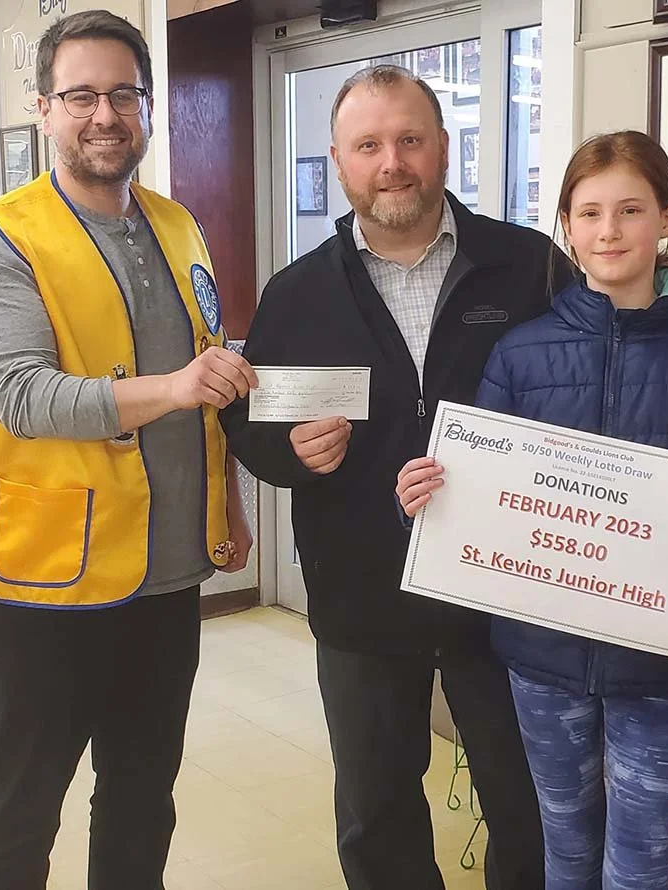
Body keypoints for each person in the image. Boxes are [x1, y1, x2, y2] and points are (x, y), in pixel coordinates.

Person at [397, 130, 668, 890]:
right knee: (566, 853)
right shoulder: (521, 352)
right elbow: (485, 493)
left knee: (640, 865)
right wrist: (431, 499)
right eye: (590, 213)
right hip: (542, 660)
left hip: (666, 662)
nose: (609, 231)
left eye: (631, 210)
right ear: (567, 228)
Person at [221, 65, 573, 890]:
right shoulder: (297, 292)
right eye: (369, 145)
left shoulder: (529, 269)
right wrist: (289, 453)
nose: (392, 162)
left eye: (410, 140)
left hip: (507, 594)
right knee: (377, 809)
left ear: (444, 148)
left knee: (526, 804)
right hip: (361, 591)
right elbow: (250, 422)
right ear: (339, 163)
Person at [0, 11, 257, 890]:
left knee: (144, 794)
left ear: (148, 106)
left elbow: (209, 378)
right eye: (81, 94)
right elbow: (24, 397)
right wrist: (179, 389)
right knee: (21, 806)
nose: (104, 114)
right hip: (48, 580)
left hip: (165, 572)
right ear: (45, 107)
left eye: (123, 93)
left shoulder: (178, 225)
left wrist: (224, 497)